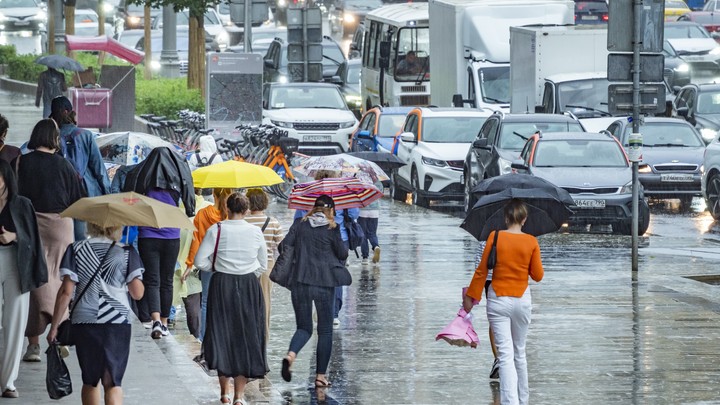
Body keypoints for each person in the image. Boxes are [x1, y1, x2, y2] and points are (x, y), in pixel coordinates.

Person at [47, 223, 145, 405]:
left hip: (85, 321)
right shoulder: (127, 251)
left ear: (91, 224)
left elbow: (66, 292)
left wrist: (53, 327)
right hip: (117, 322)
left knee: (90, 380)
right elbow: (137, 294)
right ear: (117, 226)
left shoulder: (75, 249)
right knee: (113, 381)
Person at [13, 119, 85, 363]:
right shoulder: (65, 165)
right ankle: (57, 332)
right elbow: (78, 199)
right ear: (54, 139)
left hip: (29, 224)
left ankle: (32, 344)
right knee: (61, 276)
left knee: (31, 277)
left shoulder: (21, 162)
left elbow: (11, 195)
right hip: (60, 225)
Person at [463, 199, 544, 405]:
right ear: (524, 219)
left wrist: (471, 298)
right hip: (522, 300)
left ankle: (511, 402)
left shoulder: (494, 237)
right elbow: (538, 276)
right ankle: (524, 400)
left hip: (498, 299)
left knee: (505, 355)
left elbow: (482, 270)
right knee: (520, 352)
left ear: (506, 218)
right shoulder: (531, 241)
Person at [194, 193, 268, 405]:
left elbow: (200, 261)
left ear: (227, 209)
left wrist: (217, 268)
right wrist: (246, 273)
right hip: (248, 286)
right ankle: (239, 396)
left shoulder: (216, 229)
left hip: (221, 284)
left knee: (221, 334)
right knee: (245, 336)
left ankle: (224, 393)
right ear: (245, 211)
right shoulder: (255, 232)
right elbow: (263, 264)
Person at [281, 195, 349, 388]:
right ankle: (320, 376)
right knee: (325, 331)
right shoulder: (332, 229)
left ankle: (290, 355)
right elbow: (343, 254)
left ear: (314, 208)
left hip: (300, 282)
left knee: (304, 328)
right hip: (324, 285)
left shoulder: (300, 225)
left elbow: (283, 246)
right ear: (331, 211)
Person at [0, 160, 48, 399]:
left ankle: (8, 381)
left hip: (16, 263)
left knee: (15, 323)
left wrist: (14, 236)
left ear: (6, 178)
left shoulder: (21, 204)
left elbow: (33, 241)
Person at [292, 170, 358, 326]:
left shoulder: (309, 194)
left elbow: (298, 219)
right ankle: (334, 313)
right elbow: (354, 214)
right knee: (336, 276)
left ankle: (319, 307)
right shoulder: (342, 193)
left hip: (312, 241)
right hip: (339, 240)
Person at [49, 96, 112, 241]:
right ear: (69, 112)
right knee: (83, 237)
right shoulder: (85, 135)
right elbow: (99, 169)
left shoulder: (51, 136)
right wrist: (107, 194)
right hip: (86, 194)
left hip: (59, 196)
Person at [184, 187, 233, 341]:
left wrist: (189, 264)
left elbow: (196, 240)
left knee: (205, 301)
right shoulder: (231, 217)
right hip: (227, 264)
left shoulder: (203, 214)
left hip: (208, 264)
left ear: (213, 194)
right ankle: (223, 337)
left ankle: (204, 338)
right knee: (225, 301)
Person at [244, 188, 283, 341]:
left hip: (247, 266)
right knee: (265, 301)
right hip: (267, 266)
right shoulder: (273, 222)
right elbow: (281, 247)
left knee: (247, 300)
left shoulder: (243, 221)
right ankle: (263, 336)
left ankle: (248, 334)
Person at [474, 240, 500, 379]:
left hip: (490, 283)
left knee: (494, 320)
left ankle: (497, 357)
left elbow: (478, 268)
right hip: (514, 282)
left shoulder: (486, 239)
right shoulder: (521, 237)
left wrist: (473, 294)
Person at [358, 181, 382, 265]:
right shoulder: (377, 181)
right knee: (372, 233)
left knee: (363, 234)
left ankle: (365, 257)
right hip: (375, 211)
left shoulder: (360, 180)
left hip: (362, 211)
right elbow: (380, 193)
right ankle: (376, 246)